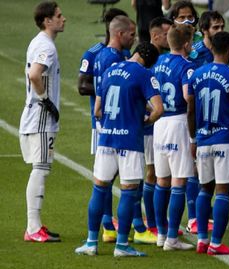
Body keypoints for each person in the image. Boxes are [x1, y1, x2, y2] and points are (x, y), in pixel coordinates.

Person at [75, 42, 163, 257]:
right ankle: (122, 245)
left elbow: (97, 110)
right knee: (128, 192)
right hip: (130, 142)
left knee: (99, 189)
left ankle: (90, 243)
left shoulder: (108, 71)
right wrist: (144, 120)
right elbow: (159, 109)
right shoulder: (144, 74)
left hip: (106, 140)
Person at [187, 31, 229, 255]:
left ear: (211, 49)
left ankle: (202, 239)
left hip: (203, 138)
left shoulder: (197, 74)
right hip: (225, 139)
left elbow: (190, 110)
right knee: (222, 191)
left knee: (204, 189)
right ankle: (216, 243)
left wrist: (193, 137)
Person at [21, 1, 65, 243]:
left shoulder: (39, 42)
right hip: (40, 117)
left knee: (41, 167)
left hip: (36, 115)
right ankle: (33, 227)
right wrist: (46, 100)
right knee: (40, 168)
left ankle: (35, 224)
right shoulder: (46, 47)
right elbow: (35, 74)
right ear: (47, 21)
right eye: (58, 16)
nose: (63, 19)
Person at [92, 15, 139, 244]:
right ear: (120, 34)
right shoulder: (116, 60)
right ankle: (112, 227)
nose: (134, 38)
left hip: (104, 125)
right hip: (118, 127)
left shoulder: (102, 55)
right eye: (131, 34)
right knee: (123, 184)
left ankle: (105, 228)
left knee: (103, 181)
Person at [152, 23, 196, 251]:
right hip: (178, 122)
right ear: (187, 43)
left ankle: (160, 234)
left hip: (159, 123)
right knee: (179, 181)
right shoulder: (187, 67)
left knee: (162, 181)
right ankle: (171, 238)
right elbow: (189, 97)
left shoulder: (157, 63)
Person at [138, 16, 173, 239]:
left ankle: (154, 221)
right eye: (167, 34)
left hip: (160, 125)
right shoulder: (149, 61)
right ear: (155, 36)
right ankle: (150, 223)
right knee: (152, 174)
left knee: (158, 174)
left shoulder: (165, 59)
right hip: (151, 126)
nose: (171, 38)